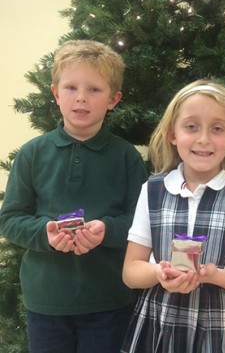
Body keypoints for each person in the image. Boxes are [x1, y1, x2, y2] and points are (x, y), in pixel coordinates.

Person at [0, 40, 147, 352]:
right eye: (71, 88)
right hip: (46, 303)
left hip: (109, 301)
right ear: (55, 93)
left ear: (114, 98)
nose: (81, 97)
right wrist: (45, 234)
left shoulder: (126, 157)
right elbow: (10, 219)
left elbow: (141, 224)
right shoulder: (32, 154)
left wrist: (106, 229)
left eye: (94, 89)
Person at [120, 80, 225, 352]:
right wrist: (159, 271)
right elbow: (131, 272)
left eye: (217, 129)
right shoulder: (153, 190)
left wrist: (214, 275)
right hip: (160, 327)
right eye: (191, 127)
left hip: (224, 331)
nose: (204, 139)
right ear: (172, 134)